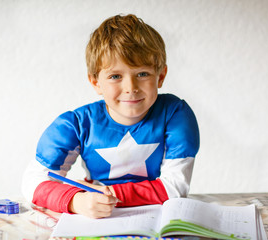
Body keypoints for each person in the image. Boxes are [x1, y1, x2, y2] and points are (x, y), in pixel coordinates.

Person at [22, 14, 200, 219]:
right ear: (95, 82)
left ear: (160, 76)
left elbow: (175, 187)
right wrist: (76, 200)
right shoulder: (75, 125)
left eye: (142, 74)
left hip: (153, 220)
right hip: (92, 218)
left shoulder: (175, 114)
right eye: (115, 76)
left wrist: (110, 195)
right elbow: (32, 182)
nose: (130, 88)